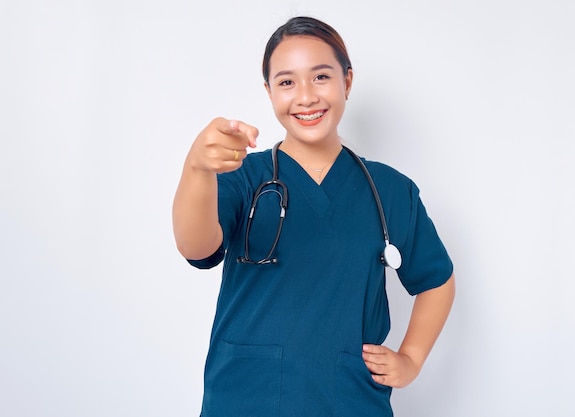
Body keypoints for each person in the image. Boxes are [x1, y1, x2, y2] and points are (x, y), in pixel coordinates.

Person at [173, 16, 455, 417]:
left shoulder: (391, 191)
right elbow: (196, 247)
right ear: (269, 92)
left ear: (347, 82)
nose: (305, 96)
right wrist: (197, 170)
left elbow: (436, 281)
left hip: (349, 400)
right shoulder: (242, 178)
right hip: (245, 398)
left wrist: (411, 358)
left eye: (320, 76)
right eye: (287, 82)